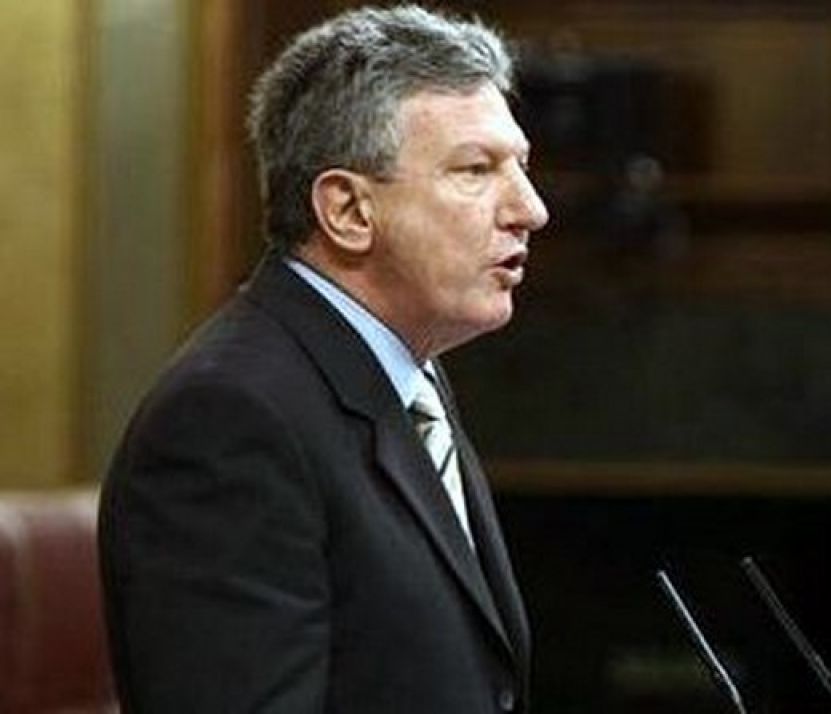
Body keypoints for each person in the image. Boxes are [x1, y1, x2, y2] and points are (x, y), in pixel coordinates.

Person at [98, 5, 549, 713]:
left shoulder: (409, 377)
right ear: (347, 210)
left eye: (520, 166)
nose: (530, 208)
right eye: (475, 170)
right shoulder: (228, 419)